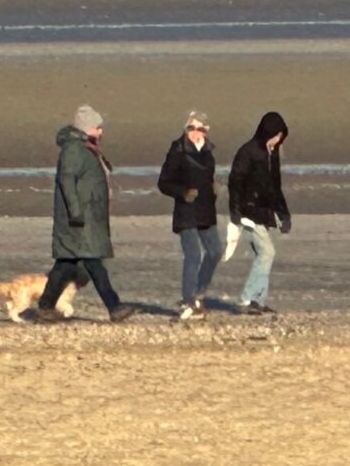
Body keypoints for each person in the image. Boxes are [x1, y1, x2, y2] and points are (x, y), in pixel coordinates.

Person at [36, 104, 137, 323]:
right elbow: (67, 181)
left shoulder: (84, 149)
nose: (101, 132)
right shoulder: (73, 150)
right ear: (86, 128)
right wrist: (75, 212)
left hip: (85, 217)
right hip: (79, 220)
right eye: (97, 128)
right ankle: (114, 307)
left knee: (65, 264)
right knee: (93, 263)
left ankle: (45, 306)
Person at [158, 110, 221, 320]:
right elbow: (163, 183)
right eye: (191, 128)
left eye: (200, 128)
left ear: (206, 131)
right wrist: (183, 192)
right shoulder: (177, 151)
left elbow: (208, 177)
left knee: (215, 252)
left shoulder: (208, 151)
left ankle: (199, 294)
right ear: (185, 129)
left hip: (206, 211)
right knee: (193, 255)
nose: (195, 132)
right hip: (186, 212)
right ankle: (187, 301)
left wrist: (214, 187)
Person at [227, 111, 291, 314]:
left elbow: (275, 186)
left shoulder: (272, 153)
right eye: (276, 135)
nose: (278, 139)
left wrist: (283, 213)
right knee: (267, 252)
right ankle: (246, 299)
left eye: (281, 136)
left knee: (262, 255)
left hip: (265, 212)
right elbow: (235, 182)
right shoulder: (248, 152)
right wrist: (236, 211)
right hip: (248, 211)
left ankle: (259, 301)